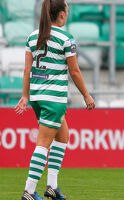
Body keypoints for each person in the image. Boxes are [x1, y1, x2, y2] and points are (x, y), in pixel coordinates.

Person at [15, 0, 95, 199]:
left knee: (62, 136)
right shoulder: (66, 38)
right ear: (61, 14)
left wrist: (25, 96)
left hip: (37, 96)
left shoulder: (32, 36)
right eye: (66, 10)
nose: (67, 13)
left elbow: (27, 70)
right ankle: (29, 191)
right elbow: (75, 71)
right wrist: (86, 95)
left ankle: (52, 186)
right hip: (54, 98)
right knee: (43, 144)